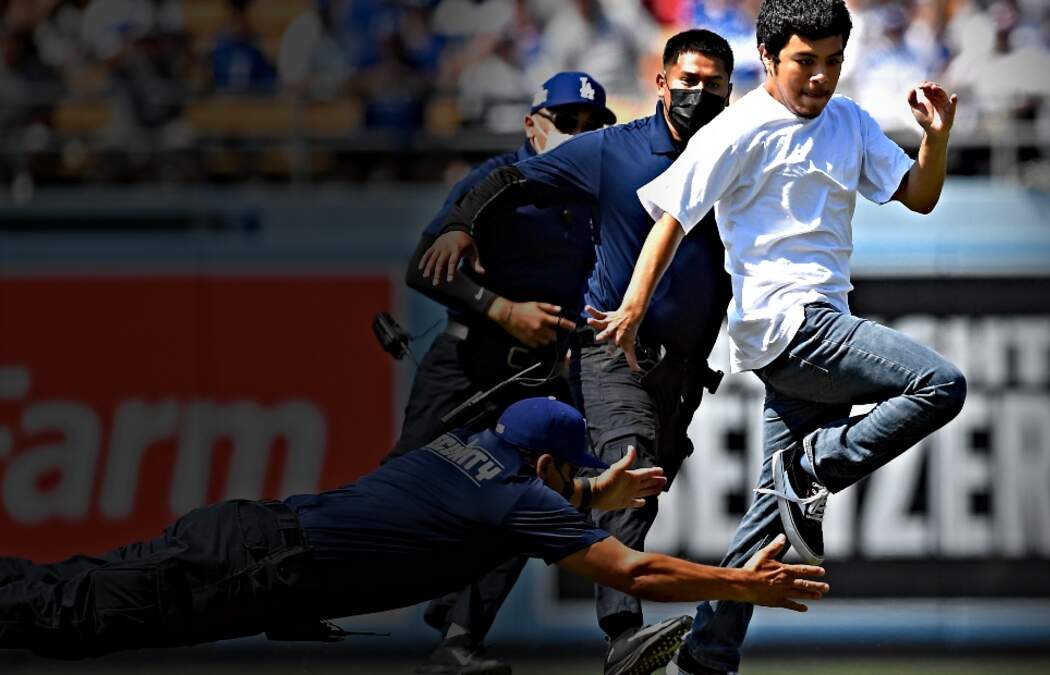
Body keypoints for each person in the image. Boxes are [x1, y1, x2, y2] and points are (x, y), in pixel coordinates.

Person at [585, 2, 968, 673]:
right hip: (790, 325)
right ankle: (815, 465)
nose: (819, 77)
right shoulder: (737, 128)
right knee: (940, 382)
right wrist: (633, 306)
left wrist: (935, 138)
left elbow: (919, 195)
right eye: (804, 61)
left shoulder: (847, 119)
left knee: (767, 524)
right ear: (767, 58)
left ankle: (708, 656)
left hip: (806, 334)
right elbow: (671, 220)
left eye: (832, 61)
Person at [0, 398, 830, 661]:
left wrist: (588, 484)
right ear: (545, 463)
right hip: (255, 569)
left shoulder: (465, 448)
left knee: (66, 588)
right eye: (567, 470)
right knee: (69, 619)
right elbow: (635, 574)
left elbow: (522, 488)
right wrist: (741, 583)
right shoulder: (518, 498)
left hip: (247, 537)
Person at [421, 29, 736, 675]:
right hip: (611, 351)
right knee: (632, 473)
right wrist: (458, 221)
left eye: (712, 83)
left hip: (680, 373)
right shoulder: (612, 151)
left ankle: (458, 625)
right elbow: (511, 174)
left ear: (732, 90)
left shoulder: (740, 157)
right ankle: (623, 635)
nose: (698, 93)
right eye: (688, 80)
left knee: (561, 498)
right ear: (661, 81)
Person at [395, 70, 614, 675]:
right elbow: (422, 266)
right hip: (468, 363)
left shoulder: (598, 193)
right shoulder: (496, 183)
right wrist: (501, 309)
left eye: (593, 125)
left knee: (530, 500)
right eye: (566, 121)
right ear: (532, 125)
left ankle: (460, 639)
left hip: (539, 377)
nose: (580, 134)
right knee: (404, 490)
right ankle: (302, 588)